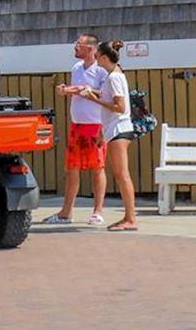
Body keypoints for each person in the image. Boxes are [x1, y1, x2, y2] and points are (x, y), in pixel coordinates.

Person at [47, 34, 107, 227]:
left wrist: (87, 89)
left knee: (97, 169)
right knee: (72, 169)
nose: (75, 48)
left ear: (90, 49)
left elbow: (107, 94)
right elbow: (78, 91)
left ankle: (97, 212)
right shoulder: (76, 68)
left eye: (78, 45)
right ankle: (66, 212)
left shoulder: (101, 70)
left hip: (96, 125)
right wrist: (66, 90)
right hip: (77, 124)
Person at [92, 41, 139, 231]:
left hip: (119, 130)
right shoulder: (115, 75)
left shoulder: (113, 77)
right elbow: (110, 98)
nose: (96, 60)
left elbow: (120, 107)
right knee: (121, 175)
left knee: (122, 176)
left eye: (97, 56)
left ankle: (130, 218)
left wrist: (92, 99)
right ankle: (129, 217)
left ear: (104, 57)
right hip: (114, 130)